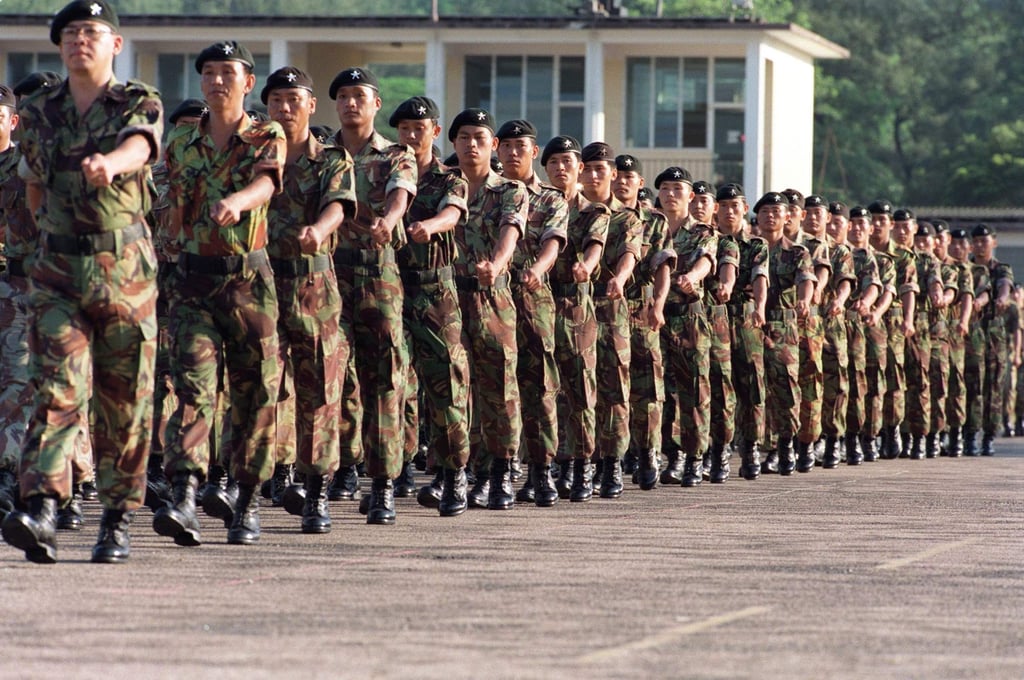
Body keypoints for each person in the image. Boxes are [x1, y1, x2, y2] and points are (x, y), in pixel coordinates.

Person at [2, 0, 162, 564]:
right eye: (69, 33)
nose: (79, 42)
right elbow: (33, 183)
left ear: (115, 44)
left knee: (125, 400)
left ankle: (115, 520)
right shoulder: (42, 108)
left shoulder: (138, 99)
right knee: (57, 387)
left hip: (124, 272)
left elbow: (141, 143)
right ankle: (42, 506)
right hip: (58, 271)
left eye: (92, 32)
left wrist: (112, 165)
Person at [153, 40, 285, 547]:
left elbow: (267, 183)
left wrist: (239, 201)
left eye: (227, 71)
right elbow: (165, 201)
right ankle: (185, 495)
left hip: (248, 282)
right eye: (208, 72)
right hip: (191, 282)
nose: (216, 80)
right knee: (192, 389)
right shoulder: (182, 140)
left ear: (248, 82)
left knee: (255, 393)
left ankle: (246, 502)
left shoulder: (264, 133)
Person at [260, 66, 355, 533]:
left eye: (293, 99)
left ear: (311, 105)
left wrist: (319, 229)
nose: (284, 107)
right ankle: (266, 480)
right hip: (259, 286)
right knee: (261, 387)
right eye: (276, 100)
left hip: (314, 286)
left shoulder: (331, 159)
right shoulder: (254, 155)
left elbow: (338, 204)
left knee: (319, 391)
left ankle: (317, 491)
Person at [328, 67, 416, 523]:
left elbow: (401, 194)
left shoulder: (396, 155)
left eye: (359, 95)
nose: (350, 103)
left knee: (383, 381)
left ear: (376, 104)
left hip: (377, 277)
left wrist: (391, 219)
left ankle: (382, 485)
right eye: (342, 96)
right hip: (326, 277)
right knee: (330, 380)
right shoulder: (321, 155)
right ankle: (336, 471)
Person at [389, 96, 472, 517]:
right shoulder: (384, 173)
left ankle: (453, 474)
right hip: (390, 289)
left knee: (446, 386)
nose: (410, 135)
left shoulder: (448, 178)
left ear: (435, 132)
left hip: (435, 293)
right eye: (403, 128)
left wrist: (429, 226)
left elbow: (454, 214)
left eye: (418, 128)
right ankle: (393, 473)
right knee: (393, 386)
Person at [448, 108, 527, 510]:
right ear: (454, 144)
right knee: (456, 389)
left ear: (493, 145)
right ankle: (464, 474)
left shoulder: (510, 190)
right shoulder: (444, 187)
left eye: (479, 137)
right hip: (447, 299)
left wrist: (495, 265)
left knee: (498, 388)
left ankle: (500, 473)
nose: (471, 144)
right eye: (463, 137)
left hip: (492, 298)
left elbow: (510, 231)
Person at [496, 119, 567, 507]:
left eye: (520, 145)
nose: (513, 152)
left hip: (532, 299)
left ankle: (541, 470)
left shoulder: (551, 198)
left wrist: (536, 271)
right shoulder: (488, 193)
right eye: (506, 145)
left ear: (533, 151)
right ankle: (499, 469)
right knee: (494, 388)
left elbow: (553, 244)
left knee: (539, 387)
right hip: (490, 299)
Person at [541, 135, 608, 500]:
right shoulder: (534, 204)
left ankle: (582, 466)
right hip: (537, 304)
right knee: (545, 390)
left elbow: (594, 245)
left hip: (575, 306)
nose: (561, 168)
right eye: (553, 163)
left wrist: (587, 265)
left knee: (580, 388)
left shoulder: (593, 211)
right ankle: (551, 465)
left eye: (567, 161)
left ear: (579, 168)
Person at [579, 142, 642, 498]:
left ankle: (612, 463)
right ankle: (579, 462)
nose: (594, 174)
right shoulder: (571, 210)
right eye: (587, 168)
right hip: (572, 310)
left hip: (610, 308)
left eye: (601, 168)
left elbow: (631, 252)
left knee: (614, 388)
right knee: (576, 389)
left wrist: (619, 278)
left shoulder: (627, 217)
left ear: (613, 174)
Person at [648, 167, 718, 487]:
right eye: (665, 188)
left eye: (678, 188)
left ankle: (695, 457)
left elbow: (706, 259)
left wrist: (693, 277)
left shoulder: (702, 232)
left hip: (688, 317)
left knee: (694, 390)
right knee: (659, 390)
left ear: (690, 196)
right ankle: (670, 454)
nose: (671, 194)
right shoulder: (649, 228)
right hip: (654, 317)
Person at [612, 154, 665, 489]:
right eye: (619, 176)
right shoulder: (603, 214)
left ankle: (647, 452)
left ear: (640, 183)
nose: (623, 182)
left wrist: (658, 304)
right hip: (606, 308)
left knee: (646, 387)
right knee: (612, 387)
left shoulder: (654, 221)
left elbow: (662, 267)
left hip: (641, 308)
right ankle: (613, 457)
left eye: (630, 177)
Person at [756, 192, 814, 475]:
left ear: (787, 217)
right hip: (751, 323)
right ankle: (764, 448)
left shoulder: (797, 252)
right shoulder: (750, 249)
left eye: (776, 211)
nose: (770, 216)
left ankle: (787, 443)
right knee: (756, 389)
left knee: (786, 389)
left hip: (783, 325)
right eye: (765, 211)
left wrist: (804, 300)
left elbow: (806, 280)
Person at [717, 184, 768, 479]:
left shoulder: (756, 245)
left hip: (746, 320)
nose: (729, 211)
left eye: (734, 205)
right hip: (716, 320)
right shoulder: (708, 240)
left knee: (750, 387)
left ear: (744, 209)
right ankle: (720, 450)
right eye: (723, 206)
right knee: (719, 389)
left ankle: (749, 448)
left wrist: (759, 307)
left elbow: (760, 277)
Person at [833, 205, 880, 465]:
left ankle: (855, 437)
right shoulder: (830, 252)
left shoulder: (864, 256)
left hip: (853, 324)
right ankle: (833, 438)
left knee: (856, 383)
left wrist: (866, 302)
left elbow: (873, 285)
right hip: (827, 326)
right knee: (832, 384)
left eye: (863, 223)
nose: (858, 228)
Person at [970, 223, 1014, 455]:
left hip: (995, 337)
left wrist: (1004, 298)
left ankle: (988, 436)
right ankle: (969, 434)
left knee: (994, 387)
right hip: (970, 334)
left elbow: (1004, 285)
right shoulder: (965, 268)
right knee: (971, 385)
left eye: (984, 241)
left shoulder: (1001, 268)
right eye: (975, 241)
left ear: (993, 243)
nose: (979, 245)